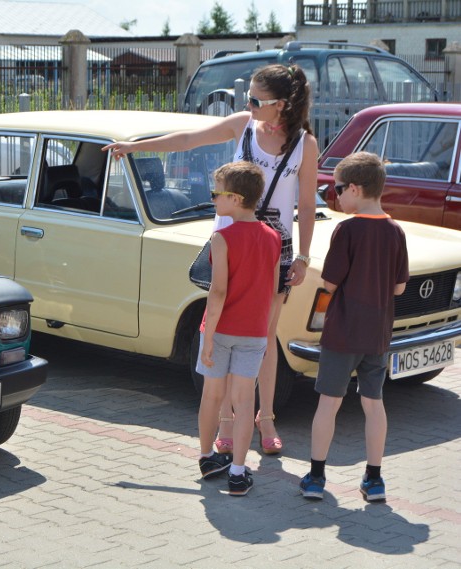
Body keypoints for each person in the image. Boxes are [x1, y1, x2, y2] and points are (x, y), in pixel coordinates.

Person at [103, 64, 318, 455]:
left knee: (265, 336)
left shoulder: (305, 144)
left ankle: (265, 418)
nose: (248, 104)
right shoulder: (242, 125)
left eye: (256, 100)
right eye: (248, 98)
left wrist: (303, 256)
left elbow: (305, 204)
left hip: (275, 250)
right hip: (230, 244)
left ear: (282, 105)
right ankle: (225, 423)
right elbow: (188, 140)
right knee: (218, 331)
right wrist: (134, 148)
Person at [300, 152, 408, 502]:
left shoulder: (346, 230)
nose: (336, 194)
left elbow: (330, 283)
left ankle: (316, 477)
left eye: (339, 188)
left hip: (343, 332)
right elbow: (399, 288)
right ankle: (374, 479)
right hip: (377, 334)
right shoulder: (395, 231)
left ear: (357, 189)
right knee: (373, 404)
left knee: (328, 404)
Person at [195, 162, 280, 496]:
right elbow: (273, 292)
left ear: (235, 197)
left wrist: (208, 338)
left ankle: (206, 457)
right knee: (245, 401)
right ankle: (239, 471)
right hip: (254, 333)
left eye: (217, 193)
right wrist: (265, 329)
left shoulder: (221, 238)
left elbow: (217, 293)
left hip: (221, 329)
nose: (213, 198)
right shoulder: (273, 237)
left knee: (213, 396)